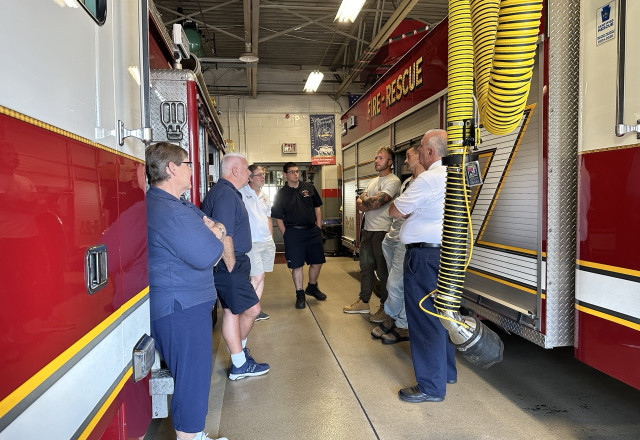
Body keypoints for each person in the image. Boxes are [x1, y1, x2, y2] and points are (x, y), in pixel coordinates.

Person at [145, 142, 227, 440]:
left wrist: (213, 231)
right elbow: (210, 254)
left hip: (188, 303)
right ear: (171, 168)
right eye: (188, 164)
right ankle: (189, 436)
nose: (193, 170)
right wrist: (217, 231)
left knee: (193, 373)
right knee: (192, 376)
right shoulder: (169, 211)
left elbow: (211, 233)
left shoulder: (178, 203)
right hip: (181, 307)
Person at [389, 129, 457, 403]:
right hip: (447, 254)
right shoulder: (454, 174)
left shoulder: (428, 179)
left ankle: (430, 386)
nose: (416, 153)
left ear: (430, 152)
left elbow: (396, 211)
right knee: (444, 314)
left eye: (419, 148)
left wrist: (412, 209)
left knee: (424, 319)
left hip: (424, 257)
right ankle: (446, 372)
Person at [201, 153, 270, 381]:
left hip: (235, 262)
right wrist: (230, 267)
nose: (250, 173)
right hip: (231, 263)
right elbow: (224, 234)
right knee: (253, 310)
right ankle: (239, 363)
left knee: (233, 311)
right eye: (246, 169)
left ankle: (239, 355)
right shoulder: (225, 195)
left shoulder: (228, 193)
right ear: (235, 170)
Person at [371, 145, 424, 344]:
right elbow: (398, 211)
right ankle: (398, 321)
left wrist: (398, 210)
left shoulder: (424, 181)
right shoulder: (407, 182)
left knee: (395, 283)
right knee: (395, 283)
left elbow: (400, 210)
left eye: (408, 156)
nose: (405, 160)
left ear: (421, 156)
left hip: (406, 242)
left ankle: (397, 322)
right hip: (392, 237)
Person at [344, 147, 401, 322]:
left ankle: (385, 307)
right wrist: (365, 201)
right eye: (376, 157)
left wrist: (365, 200)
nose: (376, 161)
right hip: (368, 231)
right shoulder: (372, 182)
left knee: (383, 273)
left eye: (381, 158)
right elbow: (361, 205)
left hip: (383, 232)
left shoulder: (394, 181)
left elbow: (375, 202)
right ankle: (364, 301)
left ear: (390, 162)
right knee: (366, 268)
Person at [271, 162, 327, 309]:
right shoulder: (281, 194)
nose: (296, 174)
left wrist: (318, 227)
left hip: (312, 231)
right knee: (297, 265)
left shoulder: (309, 188)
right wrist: (286, 235)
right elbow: (278, 217)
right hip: (293, 233)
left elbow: (317, 208)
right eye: (292, 172)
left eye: (297, 171)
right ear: (285, 175)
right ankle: (300, 294)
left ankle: (312, 287)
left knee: (318, 262)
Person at [240, 164, 276, 321]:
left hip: (267, 242)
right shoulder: (241, 193)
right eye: (259, 174)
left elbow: (268, 218)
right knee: (256, 276)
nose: (263, 177)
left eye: (264, 174)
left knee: (262, 277)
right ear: (250, 177)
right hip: (252, 242)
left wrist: (271, 239)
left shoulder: (265, 195)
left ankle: (255, 309)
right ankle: (248, 309)